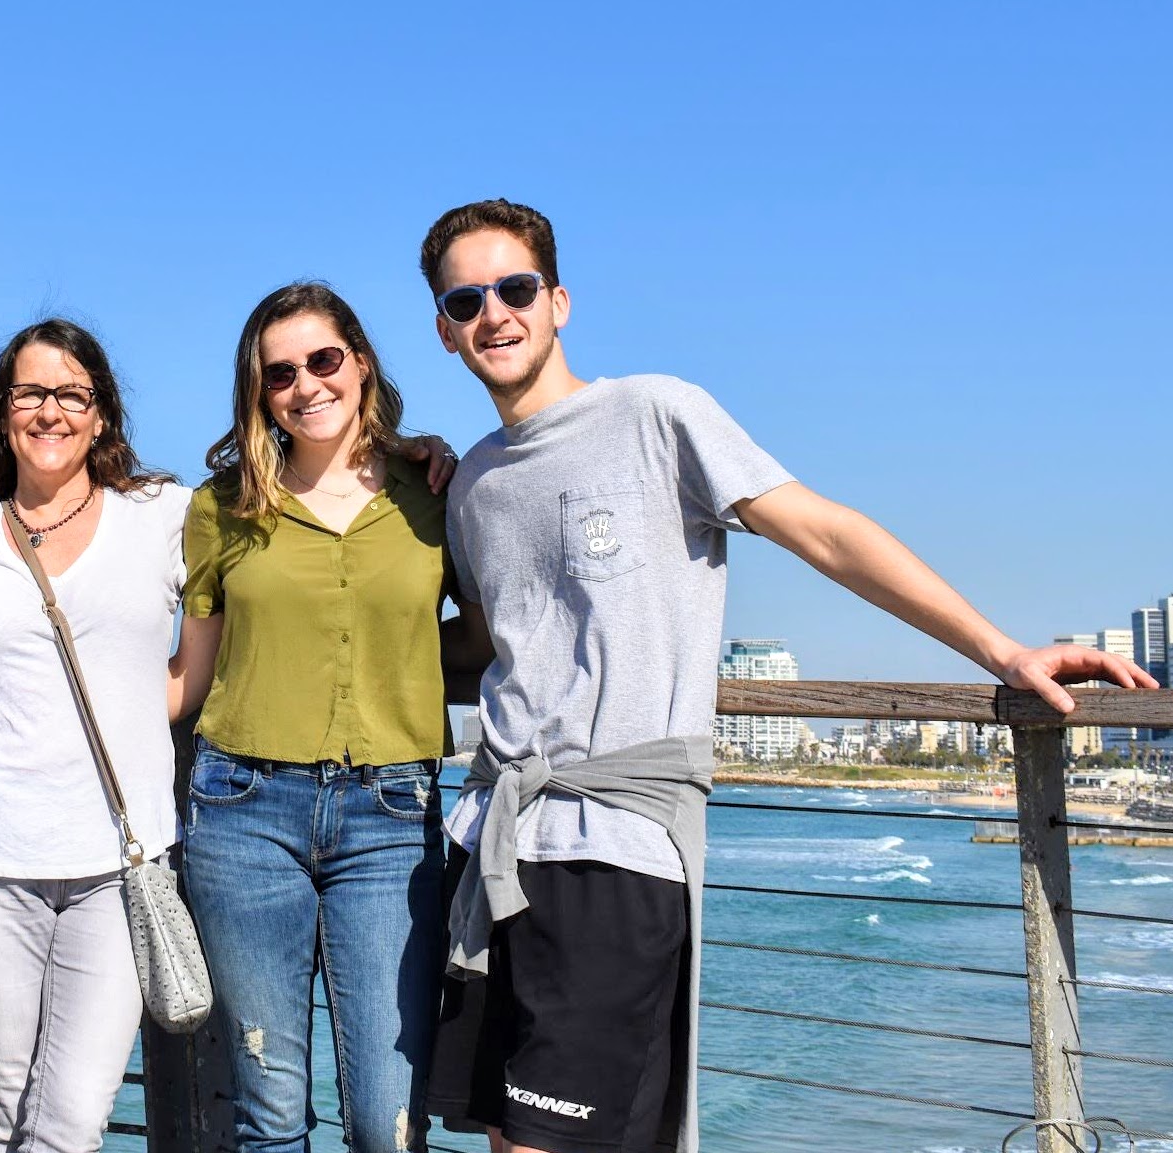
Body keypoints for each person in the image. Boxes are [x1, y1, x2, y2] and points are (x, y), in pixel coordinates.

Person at [417, 198, 1159, 1153]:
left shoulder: (654, 413)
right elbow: (484, 646)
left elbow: (825, 531)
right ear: (444, 329)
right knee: (510, 1134)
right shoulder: (473, 482)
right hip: (496, 842)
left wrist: (1000, 651)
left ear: (557, 300)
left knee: (547, 1145)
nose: (494, 314)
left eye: (513, 289)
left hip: (616, 845)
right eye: (466, 300)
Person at [169, 281, 475, 1153]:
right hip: (241, 812)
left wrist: (397, 660)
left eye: (323, 359)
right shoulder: (219, 508)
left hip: (389, 818)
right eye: (279, 373)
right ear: (258, 393)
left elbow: (485, 642)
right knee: (268, 1117)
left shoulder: (435, 491)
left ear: (362, 362)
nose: (305, 384)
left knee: (388, 1122)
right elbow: (188, 677)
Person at [0, 319, 189, 1153]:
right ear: (2, 411)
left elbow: (282, 504)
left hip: (118, 860)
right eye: (31, 391)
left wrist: (414, 450)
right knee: (5, 1106)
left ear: (101, 414)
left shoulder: (165, 515)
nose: (50, 410)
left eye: (71, 393)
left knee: (70, 1118)